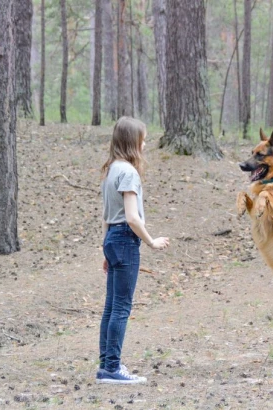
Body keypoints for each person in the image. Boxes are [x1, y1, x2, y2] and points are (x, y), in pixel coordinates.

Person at [96, 117, 169, 385]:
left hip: (112, 240)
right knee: (121, 308)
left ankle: (106, 366)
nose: (145, 143)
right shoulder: (128, 172)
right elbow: (132, 217)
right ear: (133, 142)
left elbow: (106, 217)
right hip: (125, 240)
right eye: (143, 139)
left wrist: (106, 250)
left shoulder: (110, 170)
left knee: (111, 307)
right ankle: (113, 369)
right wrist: (151, 241)